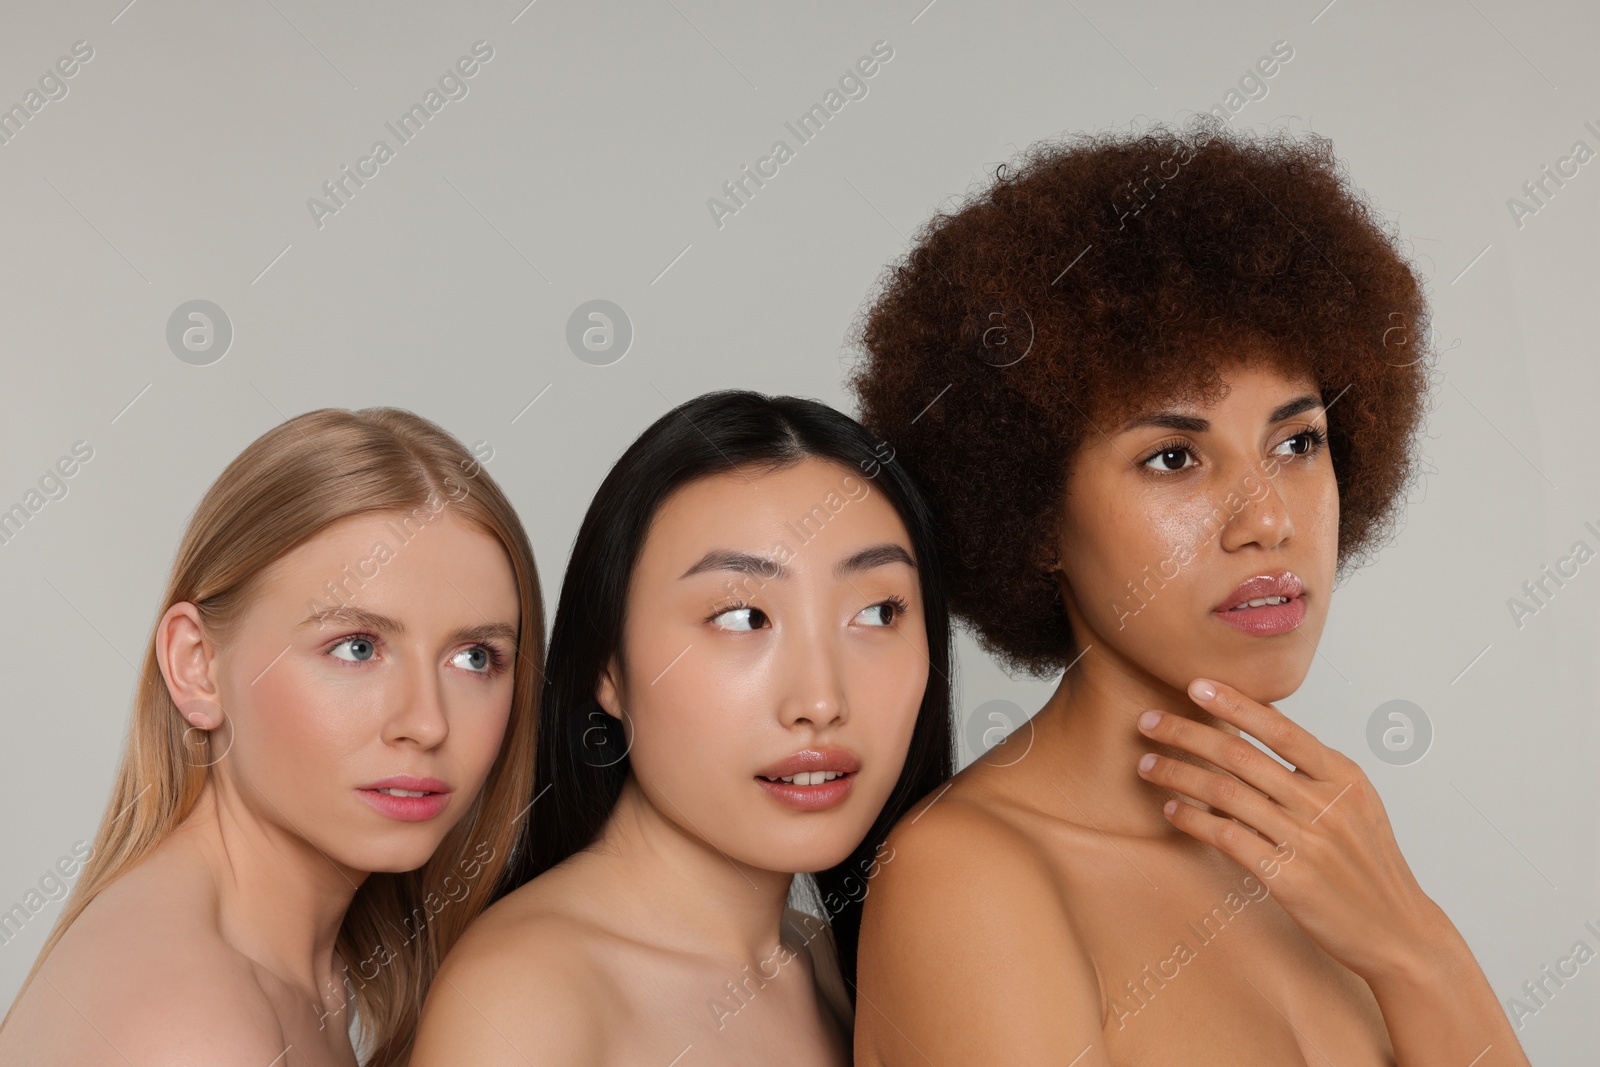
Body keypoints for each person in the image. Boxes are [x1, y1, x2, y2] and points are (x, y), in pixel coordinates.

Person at [847, 120, 1531, 1065]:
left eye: (1297, 443)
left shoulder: (1329, 865)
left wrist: (1418, 947)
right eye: (1174, 457)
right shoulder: (969, 879)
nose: (1267, 520)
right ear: (1034, 516)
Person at [410, 390, 953, 1066]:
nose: (820, 699)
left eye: (877, 612)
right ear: (608, 665)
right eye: (742, 617)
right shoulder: (526, 1002)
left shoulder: (838, 964)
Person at [0, 408, 545, 1067]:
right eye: (356, 646)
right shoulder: (192, 1025)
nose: (427, 722)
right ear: (196, 665)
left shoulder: (304, 974)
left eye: (475, 658)